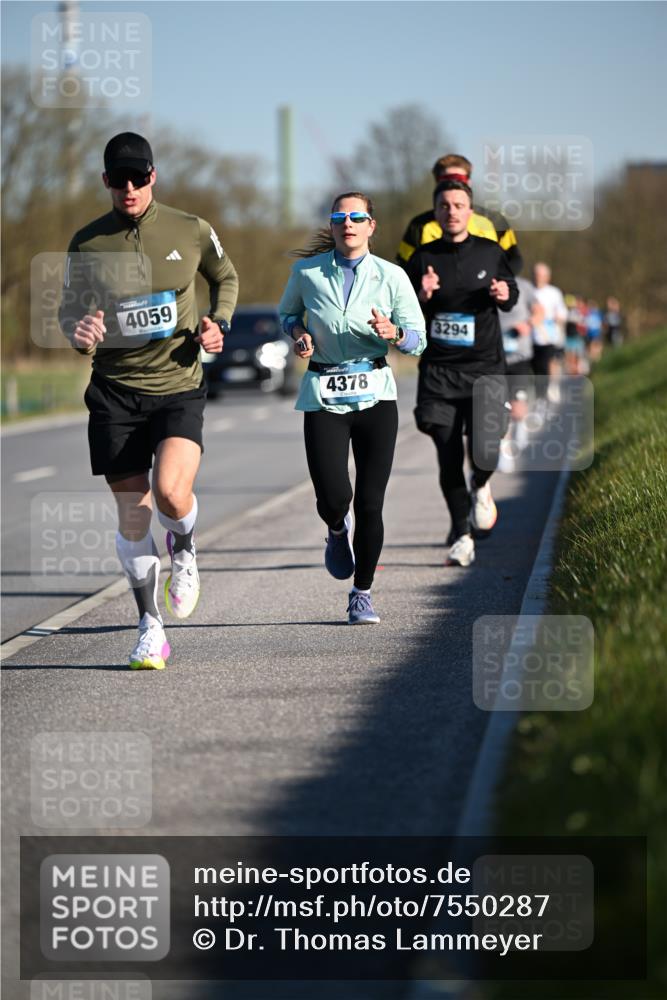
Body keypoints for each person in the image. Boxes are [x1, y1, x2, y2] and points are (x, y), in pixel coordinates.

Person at [59, 132, 239, 669]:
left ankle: (184, 546)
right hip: (115, 391)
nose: (130, 188)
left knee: (171, 494)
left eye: (138, 178)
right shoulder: (87, 243)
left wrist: (218, 322)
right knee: (134, 519)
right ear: (106, 181)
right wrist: (79, 332)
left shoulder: (190, 228)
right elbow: (68, 311)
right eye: (119, 180)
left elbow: (225, 277)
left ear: (153, 176)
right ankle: (149, 627)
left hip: (177, 385)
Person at [279, 192, 425, 624]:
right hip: (323, 393)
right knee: (333, 496)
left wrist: (395, 333)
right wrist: (299, 335)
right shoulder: (307, 272)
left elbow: (419, 340)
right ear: (331, 225)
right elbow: (287, 315)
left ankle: (362, 593)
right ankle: (335, 528)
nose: (348, 223)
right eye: (339, 217)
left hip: (375, 395)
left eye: (357, 217)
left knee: (371, 503)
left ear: (370, 226)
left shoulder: (392, 276)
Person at [405, 179, 518, 567]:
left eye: (458, 205)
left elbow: (512, 293)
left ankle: (481, 485)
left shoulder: (490, 251)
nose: (451, 211)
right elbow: (403, 313)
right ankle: (462, 535)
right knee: (447, 454)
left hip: (485, 368)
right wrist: (422, 295)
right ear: (435, 213)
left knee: (485, 450)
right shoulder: (422, 258)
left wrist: (505, 295)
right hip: (439, 373)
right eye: (444, 205)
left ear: (470, 211)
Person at [397, 153, 523, 275]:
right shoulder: (418, 225)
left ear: (469, 182)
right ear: (437, 184)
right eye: (446, 180)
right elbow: (405, 266)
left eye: (459, 179)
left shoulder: (495, 220)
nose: (453, 185)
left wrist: (500, 281)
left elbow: (513, 260)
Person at [497, 276, 539, 472]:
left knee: (517, 408)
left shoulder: (524, 285)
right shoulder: (485, 282)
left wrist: (528, 325)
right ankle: (505, 452)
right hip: (494, 357)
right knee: (499, 409)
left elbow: (539, 311)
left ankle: (520, 427)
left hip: (519, 356)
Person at [531, 262, 567, 411]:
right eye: (536, 275)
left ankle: (551, 387)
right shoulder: (529, 290)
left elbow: (562, 313)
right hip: (531, 337)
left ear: (547, 277)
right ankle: (538, 395)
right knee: (536, 368)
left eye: (541, 275)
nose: (538, 278)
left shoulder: (554, 293)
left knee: (550, 363)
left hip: (549, 336)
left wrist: (558, 325)